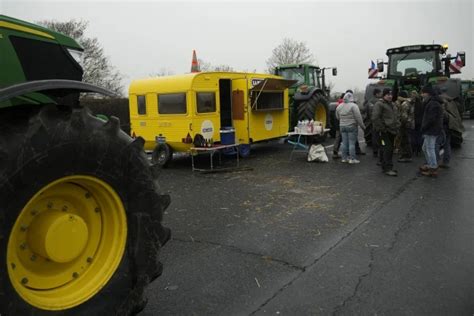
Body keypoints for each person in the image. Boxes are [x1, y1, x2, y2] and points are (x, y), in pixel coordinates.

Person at [372, 88, 400, 176]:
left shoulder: (392, 104)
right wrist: (382, 129)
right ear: (384, 95)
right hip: (384, 131)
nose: (390, 96)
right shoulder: (379, 104)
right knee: (387, 149)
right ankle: (387, 168)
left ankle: (388, 167)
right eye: (388, 95)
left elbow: (395, 116)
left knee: (390, 149)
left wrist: (397, 125)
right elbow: (375, 118)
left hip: (392, 131)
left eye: (391, 95)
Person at [419, 84, 443, 177]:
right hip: (431, 129)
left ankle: (433, 168)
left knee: (430, 149)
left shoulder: (433, 103)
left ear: (427, 93)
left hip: (431, 130)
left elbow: (431, 119)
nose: (422, 95)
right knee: (425, 148)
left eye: (423, 93)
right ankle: (430, 165)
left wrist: (423, 127)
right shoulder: (432, 102)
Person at [335, 91, 365, 164]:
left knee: (344, 143)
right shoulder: (354, 106)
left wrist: (342, 121)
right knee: (352, 143)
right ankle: (352, 159)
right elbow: (358, 117)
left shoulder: (339, 106)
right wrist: (362, 126)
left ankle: (344, 158)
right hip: (352, 126)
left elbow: (337, 116)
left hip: (342, 126)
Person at [396, 90, 415, 162]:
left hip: (405, 125)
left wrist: (401, 123)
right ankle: (407, 155)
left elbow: (404, 117)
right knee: (407, 140)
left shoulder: (405, 104)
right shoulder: (411, 102)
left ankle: (406, 156)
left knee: (405, 140)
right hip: (410, 124)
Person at [366, 88, 382, 157]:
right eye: (380, 93)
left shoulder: (370, 101)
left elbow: (367, 111)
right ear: (377, 94)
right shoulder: (379, 102)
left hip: (371, 121)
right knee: (379, 136)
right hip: (378, 121)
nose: (381, 94)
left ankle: (375, 151)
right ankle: (379, 150)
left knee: (374, 136)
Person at [410, 90, 424, 156]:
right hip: (420, 122)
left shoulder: (410, 103)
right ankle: (419, 149)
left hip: (412, 122)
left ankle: (413, 149)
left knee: (413, 136)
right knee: (419, 136)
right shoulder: (421, 103)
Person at [332, 93, 345, 159]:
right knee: (346, 138)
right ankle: (347, 154)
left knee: (337, 138)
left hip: (337, 123)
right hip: (344, 123)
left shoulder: (337, 104)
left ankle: (335, 152)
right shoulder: (345, 105)